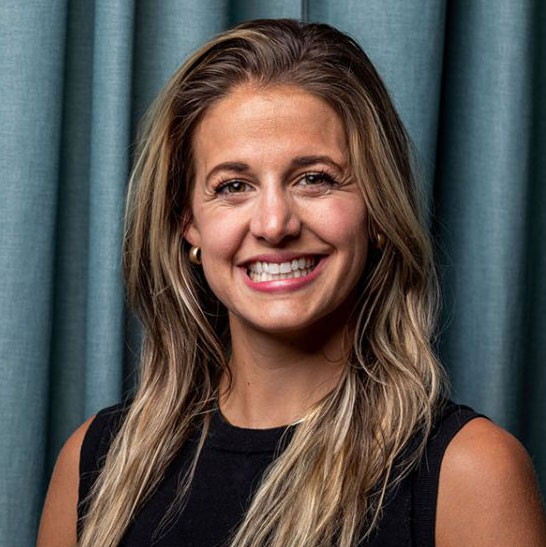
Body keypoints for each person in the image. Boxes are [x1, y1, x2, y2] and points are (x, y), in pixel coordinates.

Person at [37, 18, 546, 547]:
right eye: (234, 185)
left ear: (376, 208)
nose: (275, 224)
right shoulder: (94, 463)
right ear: (187, 222)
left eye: (315, 179)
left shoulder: (470, 473)